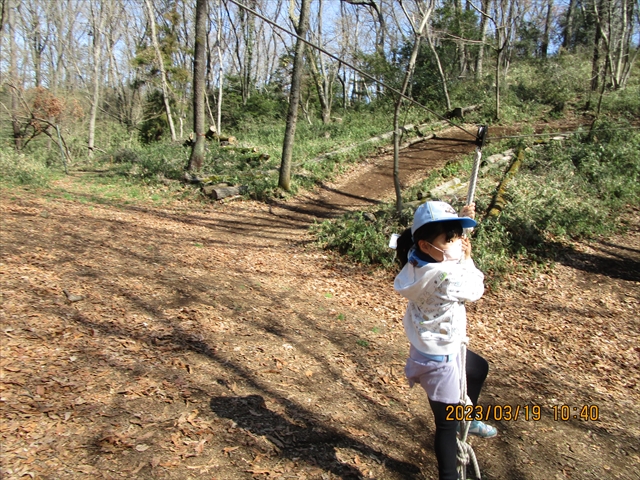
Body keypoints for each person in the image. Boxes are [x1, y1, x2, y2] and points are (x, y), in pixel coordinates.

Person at [394, 201, 496, 480]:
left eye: (458, 237)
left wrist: (461, 224)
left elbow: (443, 249)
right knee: (447, 428)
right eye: (450, 239)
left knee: (478, 368)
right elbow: (475, 289)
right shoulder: (445, 276)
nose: (458, 244)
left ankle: (469, 417)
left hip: (430, 350)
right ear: (427, 244)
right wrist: (467, 259)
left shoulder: (416, 259)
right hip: (442, 362)